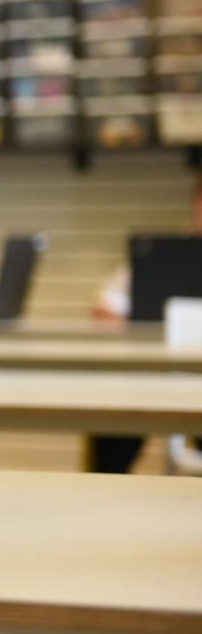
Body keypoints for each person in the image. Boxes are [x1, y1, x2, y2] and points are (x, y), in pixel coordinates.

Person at [89, 173, 202, 473]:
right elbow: (104, 309)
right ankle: (105, 495)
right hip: (151, 374)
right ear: (195, 204)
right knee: (112, 421)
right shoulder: (160, 253)